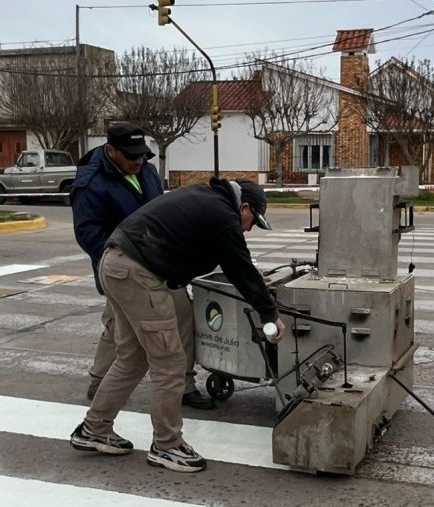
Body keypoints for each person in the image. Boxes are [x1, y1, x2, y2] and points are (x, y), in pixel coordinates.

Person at [70, 177, 285, 473]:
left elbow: (230, 260)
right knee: (169, 362)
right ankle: (167, 445)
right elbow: (239, 266)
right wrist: (269, 314)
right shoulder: (223, 215)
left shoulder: (206, 200)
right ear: (243, 206)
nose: (248, 227)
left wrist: (250, 279)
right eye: (252, 220)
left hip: (115, 263)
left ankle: (94, 428)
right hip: (138, 274)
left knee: (131, 359)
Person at [70, 122, 213, 410]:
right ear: (111, 151)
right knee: (117, 326)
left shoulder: (145, 170)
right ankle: (100, 382)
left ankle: (184, 384)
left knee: (182, 314)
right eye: (131, 156)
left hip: (161, 264)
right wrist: (122, 260)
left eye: (142, 155)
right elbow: (87, 233)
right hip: (122, 269)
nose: (138, 161)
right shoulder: (91, 182)